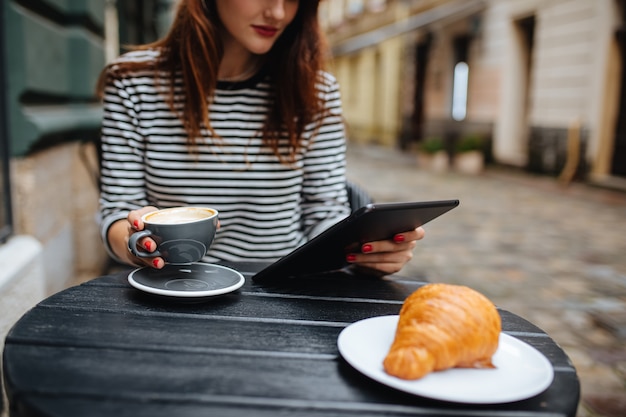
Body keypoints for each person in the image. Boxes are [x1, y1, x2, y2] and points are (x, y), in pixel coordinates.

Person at [97, 0, 424, 276]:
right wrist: (136, 243)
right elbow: (117, 211)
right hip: (173, 286)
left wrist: (363, 250)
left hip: (283, 286)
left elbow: (323, 210)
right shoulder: (132, 82)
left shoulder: (315, 91)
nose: (278, 13)